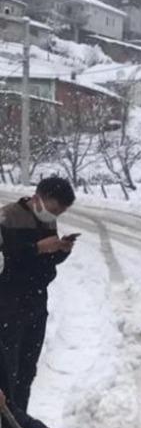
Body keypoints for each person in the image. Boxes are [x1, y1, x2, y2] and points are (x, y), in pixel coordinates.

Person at [0, 176, 76, 412]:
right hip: (7, 303)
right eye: (53, 209)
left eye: (60, 213)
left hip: (36, 302)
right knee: (7, 372)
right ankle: (7, 425)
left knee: (26, 371)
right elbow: (5, 258)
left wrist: (61, 251)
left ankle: (20, 424)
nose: (54, 216)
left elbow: (43, 263)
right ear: (37, 198)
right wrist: (37, 248)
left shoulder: (48, 222)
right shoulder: (7, 217)